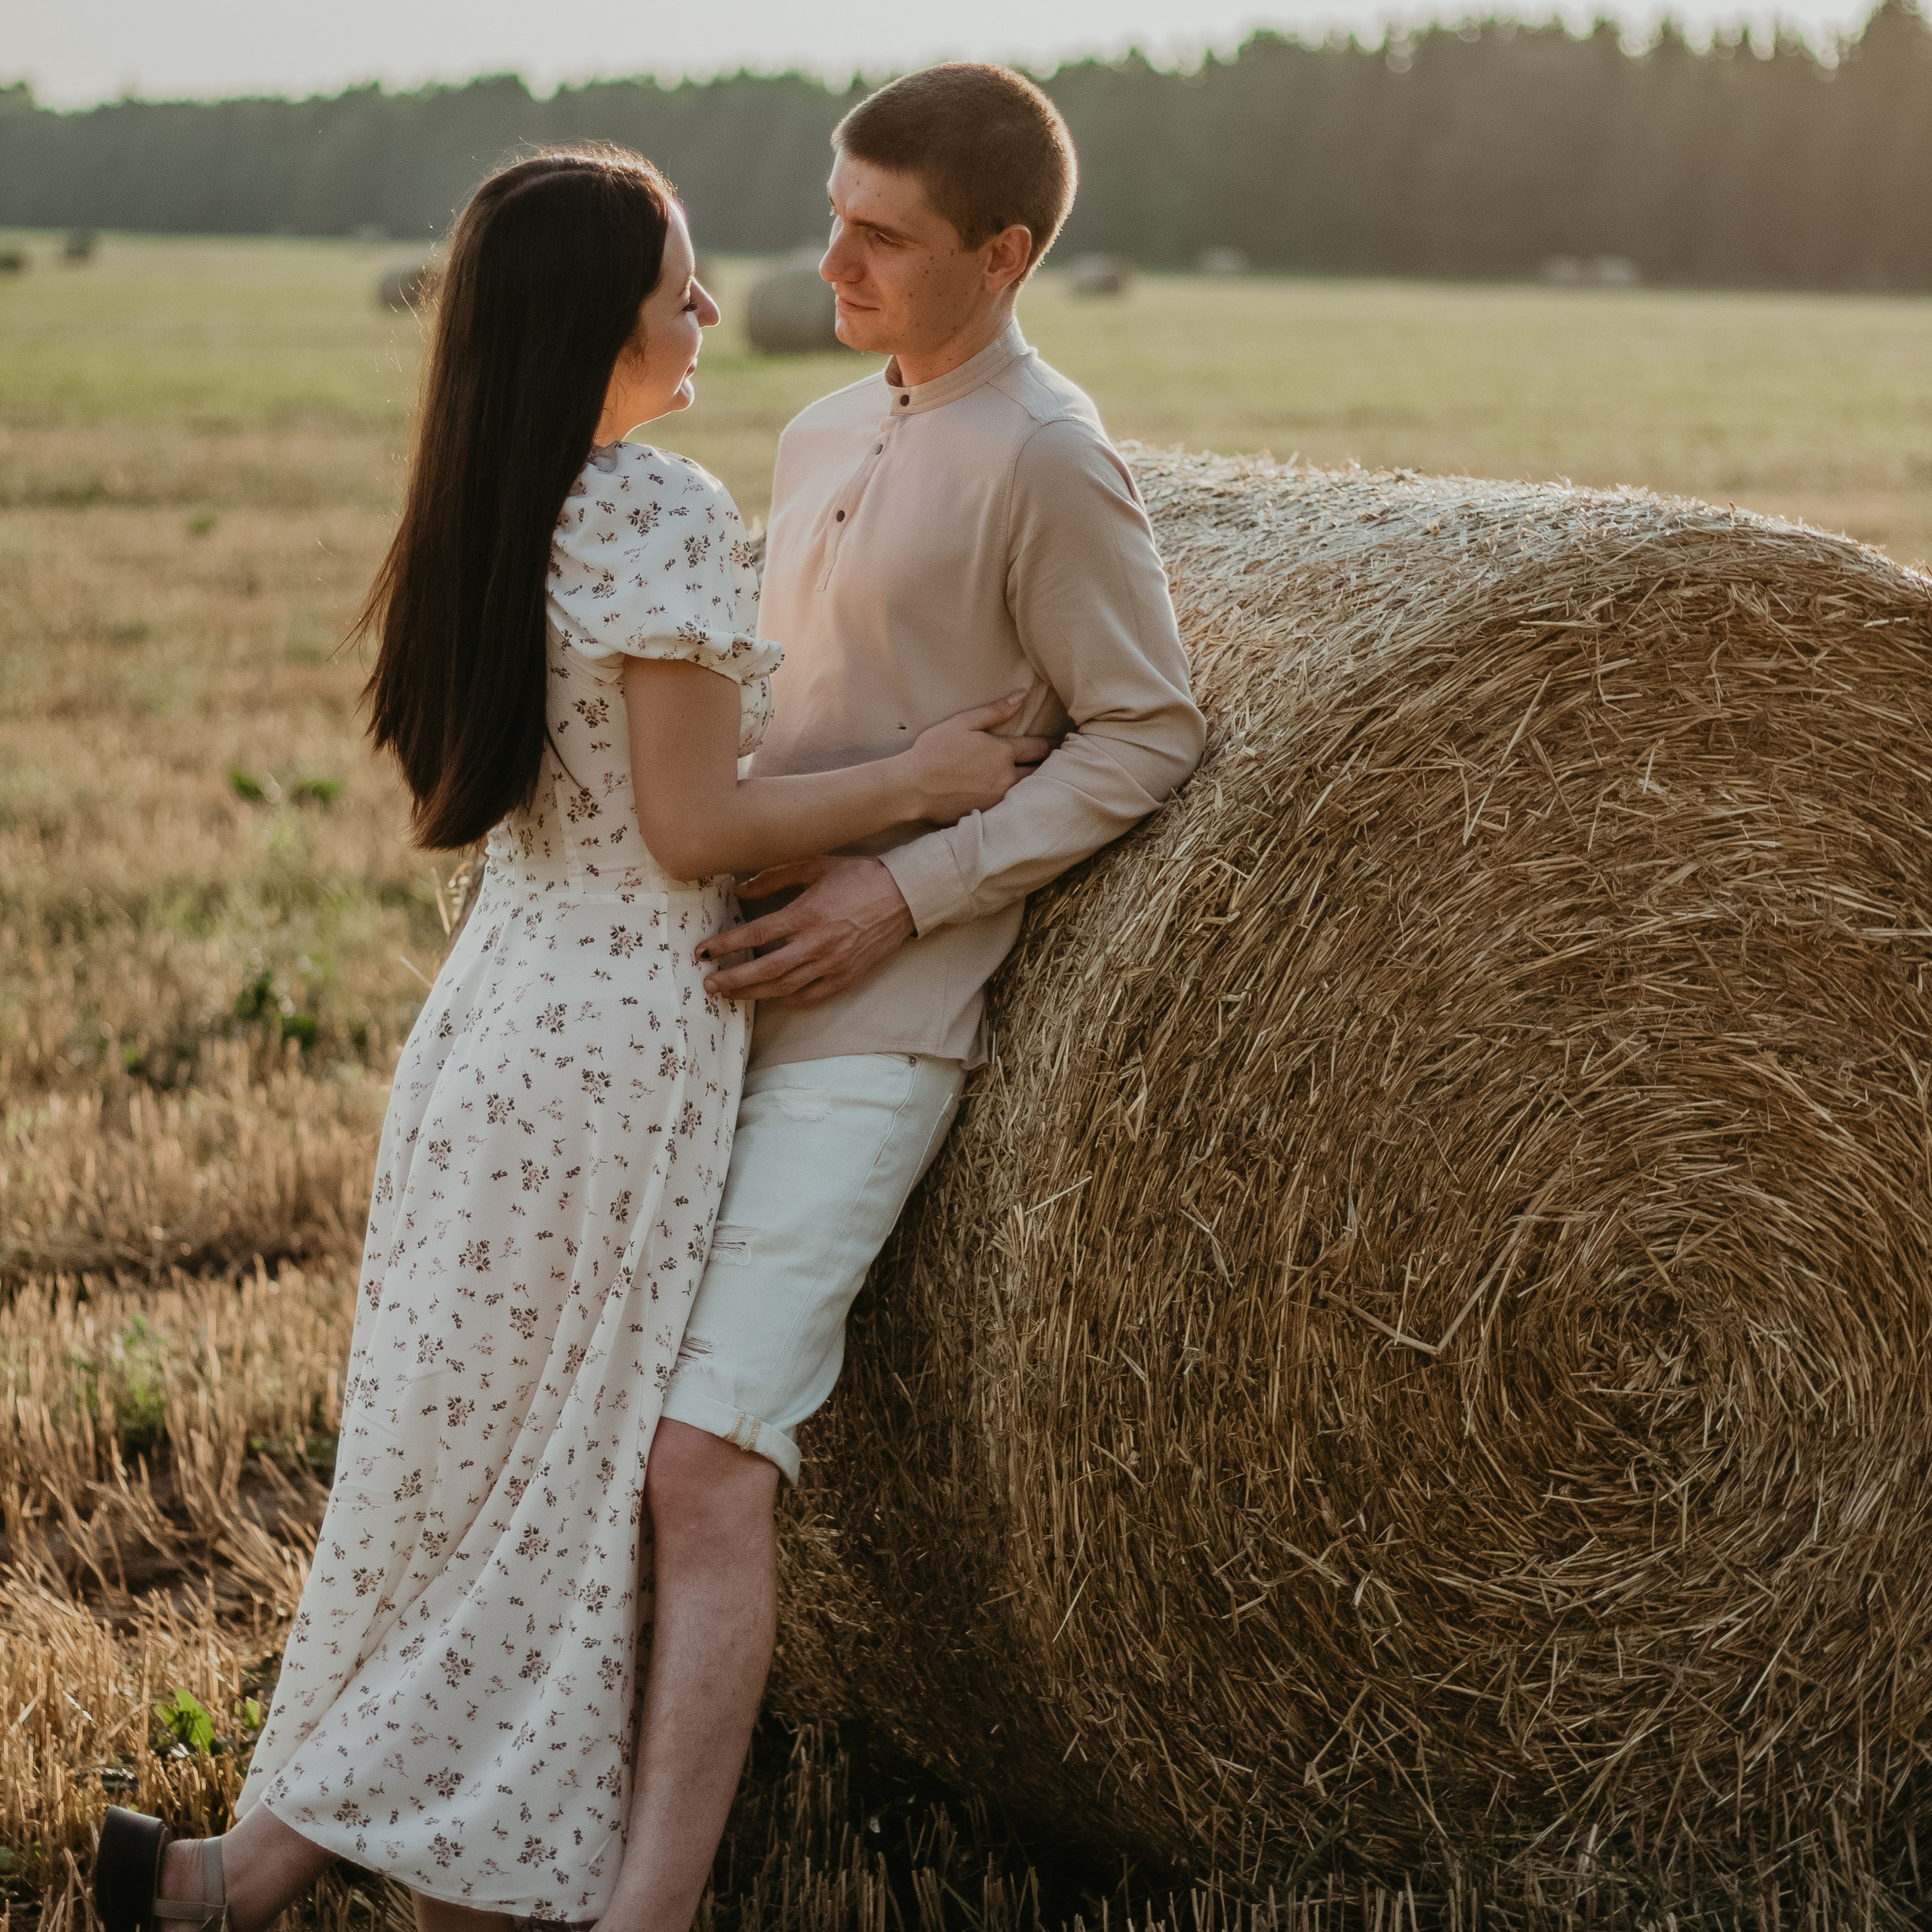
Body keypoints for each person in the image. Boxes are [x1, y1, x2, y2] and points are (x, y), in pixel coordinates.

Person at [90, 144, 1047, 1932]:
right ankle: (477, 1869)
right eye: (678, 284)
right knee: (549, 1492)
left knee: (440, 1473)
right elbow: (692, 827)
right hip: (615, 1054)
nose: (708, 308)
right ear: (594, 324)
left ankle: (273, 1868)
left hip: (489, 1032)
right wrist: (917, 781)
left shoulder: (495, 500)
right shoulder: (656, 512)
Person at [616, 60, 1206, 1932]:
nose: (831, 255)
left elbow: (1147, 729)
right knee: (616, 1425)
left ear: (1005, 254)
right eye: (833, 213)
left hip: (884, 1026)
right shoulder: (806, 433)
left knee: (706, 1454)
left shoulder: (1048, 456)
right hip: (720, 1002)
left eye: (881, 235)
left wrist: (910, 886)